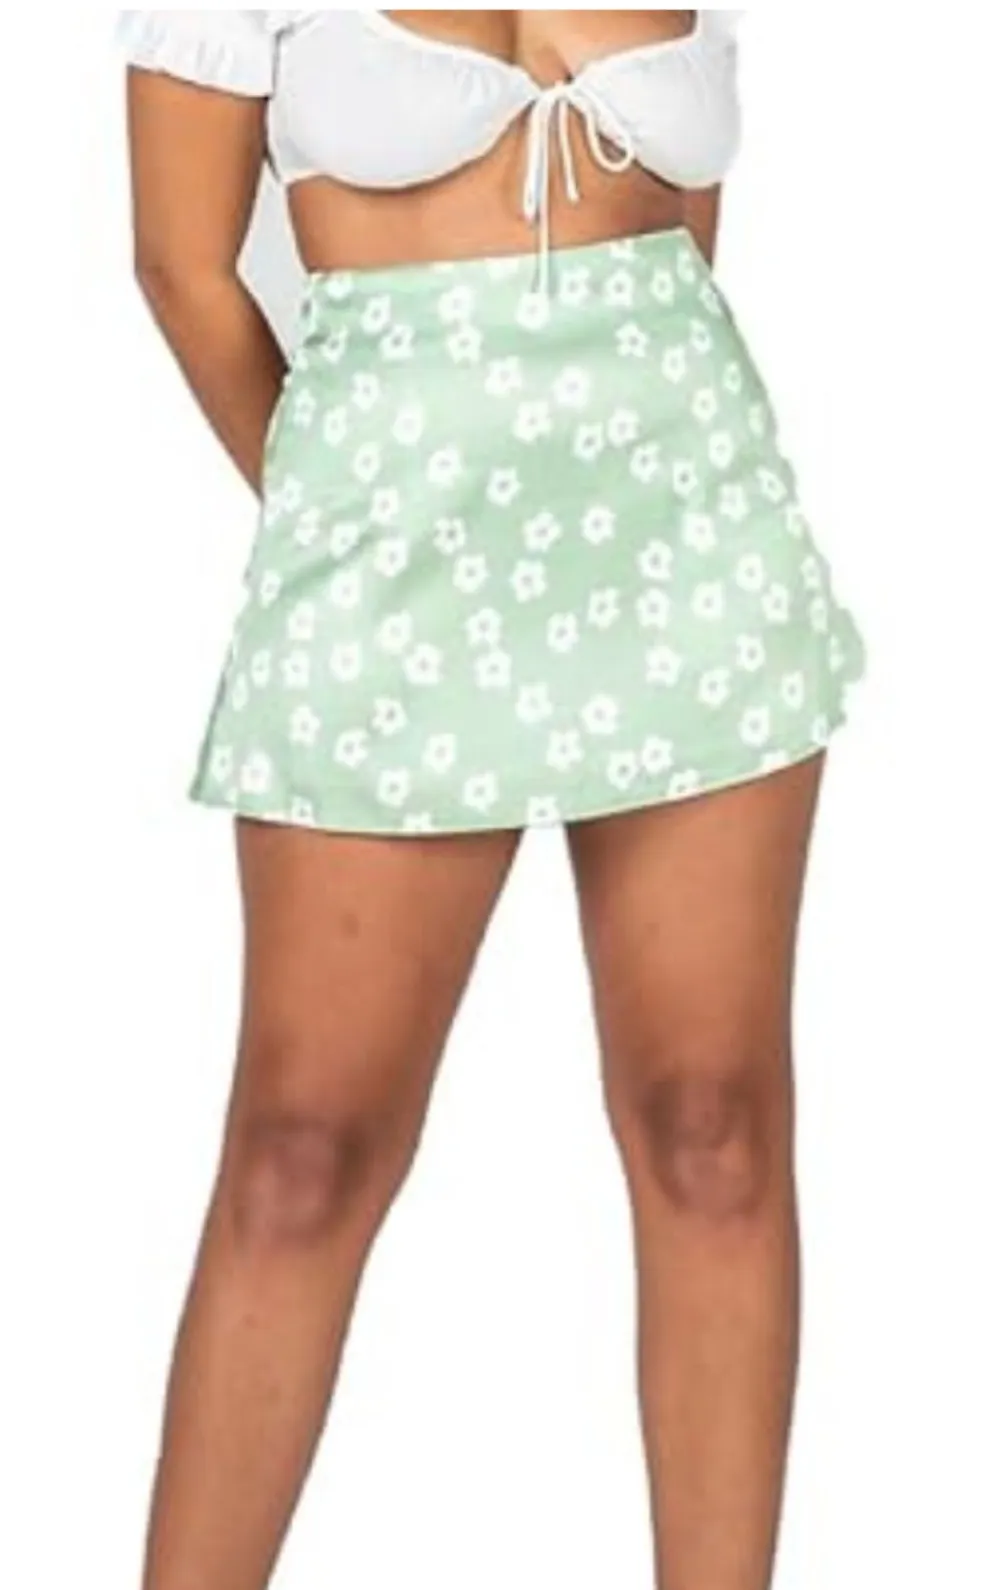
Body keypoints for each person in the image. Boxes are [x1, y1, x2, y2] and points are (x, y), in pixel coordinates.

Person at [118, 11, 865, 1589]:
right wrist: (349, 496)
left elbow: (680, 234)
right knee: (301, 1148)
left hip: (687, 530)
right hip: (382, 552)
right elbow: (183, 266)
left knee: (713, 1128)